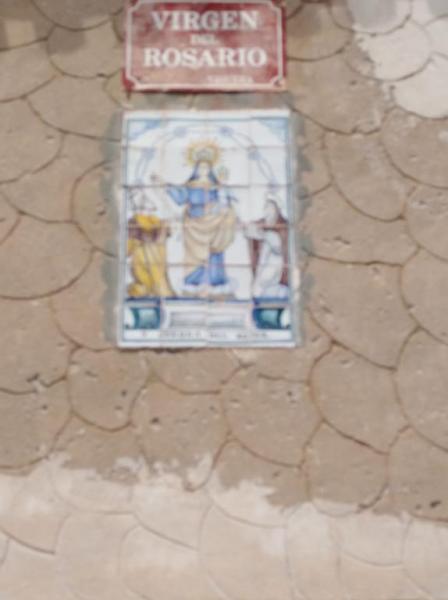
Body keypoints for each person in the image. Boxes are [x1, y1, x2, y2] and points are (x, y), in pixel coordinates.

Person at [154, 155, 237, 297]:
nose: (203, 170)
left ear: (210, 170)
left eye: (206, 167)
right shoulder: (190, 186)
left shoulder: (217, 186)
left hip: (214, 225)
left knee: (214, 253)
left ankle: (214, 284)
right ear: (196, 169)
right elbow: (180, 197)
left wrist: (225, 210)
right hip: (193, 228)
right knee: (194, 259)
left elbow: (225, 201)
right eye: (200, 167)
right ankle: (195, 284)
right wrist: (164, 185)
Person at [245, 196, 289, 299]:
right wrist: (253, 230)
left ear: (277, 210)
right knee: (261, 282)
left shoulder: (283, 226)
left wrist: (264, 235)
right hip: (264, 263)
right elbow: (252, 230)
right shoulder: (263, 222)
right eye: (266, 208)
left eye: (270, 208)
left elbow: (280, 247)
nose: (267, 212)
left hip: (276, 264)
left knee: (266, 282)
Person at [126, 213, 174, 298]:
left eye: (132, 229)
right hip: (144, 291)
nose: (128, 232)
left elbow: (165, 225)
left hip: (157, 292)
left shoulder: (155, 247)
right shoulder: (136, 245)